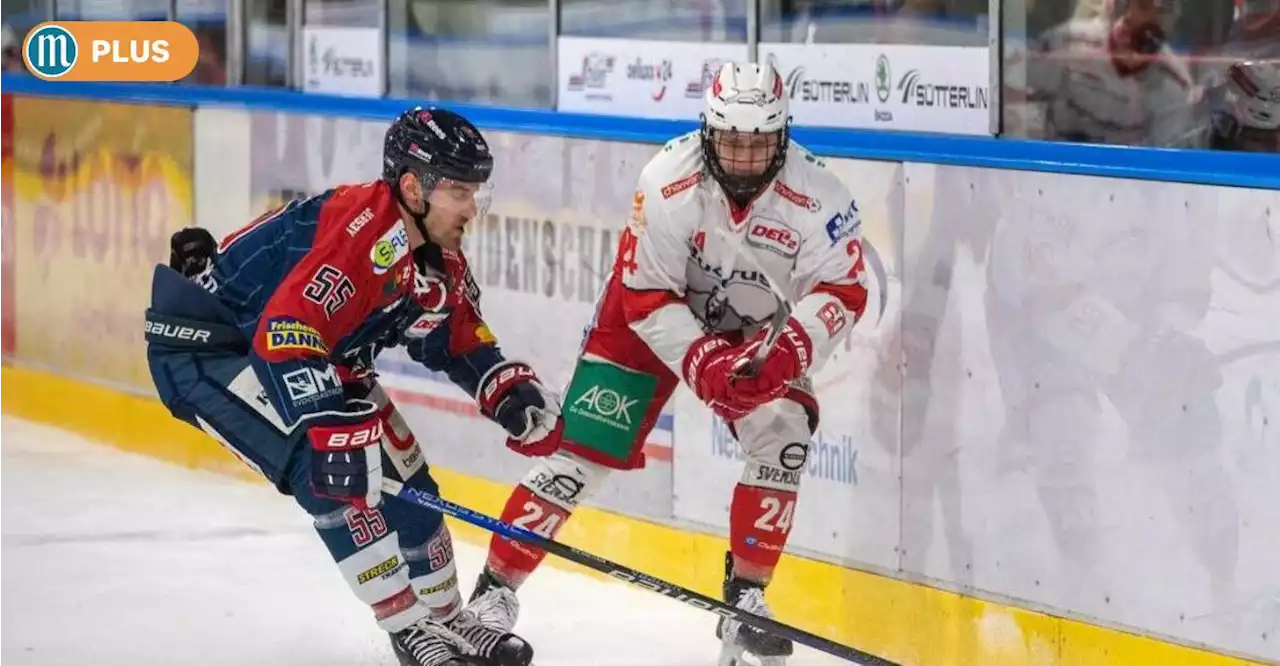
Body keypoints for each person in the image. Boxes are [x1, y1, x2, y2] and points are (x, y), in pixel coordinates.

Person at [476, 60, 870, 666]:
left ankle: (747, 598)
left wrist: (789, 351)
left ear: (784, 136)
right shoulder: (666, 179)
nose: (743, 158)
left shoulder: (821, 196)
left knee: (785, 434)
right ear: (707, 131)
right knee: (581, 451)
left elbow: (844, 288)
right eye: (731, 141)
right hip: (647, 315)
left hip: (754, 324)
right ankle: (492, 595)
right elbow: (644, 293)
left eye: (759, 142)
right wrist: (700, 360)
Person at [143, 106, 562, 666]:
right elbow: (284, 332)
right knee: (328, 472)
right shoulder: (361, 231)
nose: (471, 208)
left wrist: (503, 390)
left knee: (413, 487)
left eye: (474, 192)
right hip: (213, 350)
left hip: (317, 352)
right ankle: (410, 630)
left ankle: (447, 620)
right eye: (459, 192)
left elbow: (453, 335)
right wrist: (326, 423)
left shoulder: (434, 254)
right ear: (414, 186)